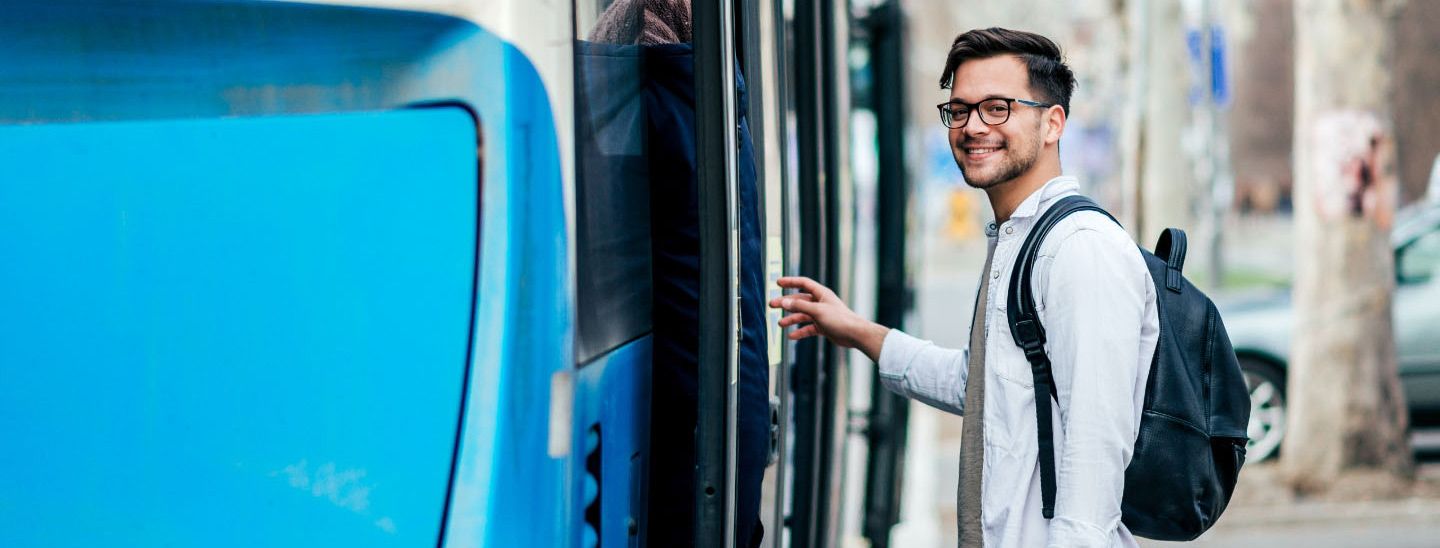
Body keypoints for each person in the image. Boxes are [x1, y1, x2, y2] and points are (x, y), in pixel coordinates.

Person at [770, 28, 1159, 548]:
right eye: (960, 110)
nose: (973, 126)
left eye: (997, 108)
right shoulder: (1021, 240)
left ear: (1053, 123)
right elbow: (981, 388)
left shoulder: (1078, 250)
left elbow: (1096, 448)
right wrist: (860, 332)